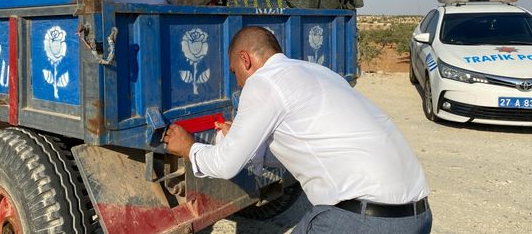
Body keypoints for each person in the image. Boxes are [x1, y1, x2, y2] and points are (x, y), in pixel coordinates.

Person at [164, 26, 432, 234]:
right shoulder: (317, 71)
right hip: (417, 217)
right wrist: (246, 143)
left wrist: (188, 147)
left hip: (363, 221)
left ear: (245, 60)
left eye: (235, 73)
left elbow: (225, 165)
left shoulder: (264, 82)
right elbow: (306, 148)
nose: (239, 84)